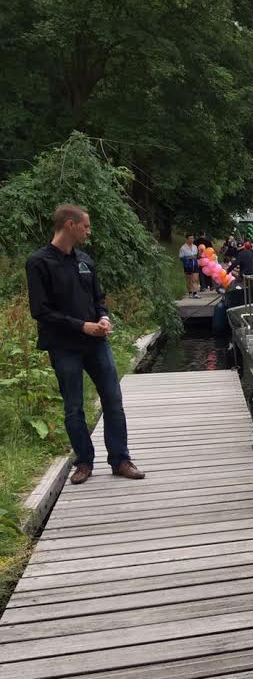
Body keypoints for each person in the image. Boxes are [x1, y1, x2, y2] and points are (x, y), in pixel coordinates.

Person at [26, 205, 145, 484]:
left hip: (96, 343)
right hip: (63, 345)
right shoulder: (38, 262)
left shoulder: (85, 261)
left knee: (114, 401)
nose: (88, 232)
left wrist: (103, 317)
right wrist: (81, 326)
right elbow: (40, 311)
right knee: (73, 406)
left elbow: (98, 298)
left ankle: (120, 460)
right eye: (86, 227)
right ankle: (84, 462)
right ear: (70, 225)